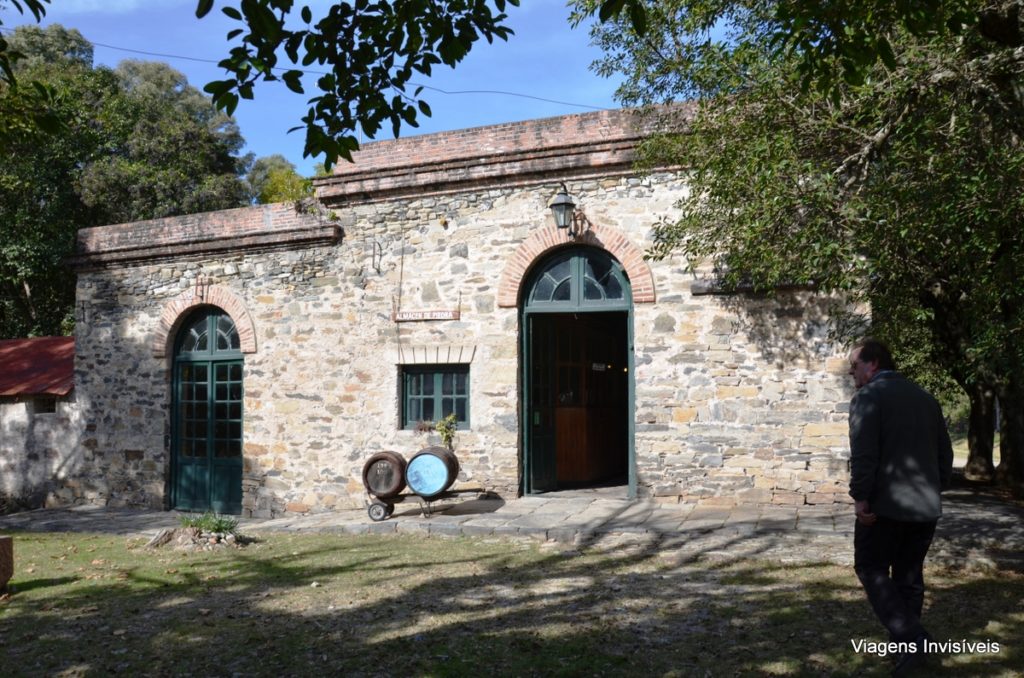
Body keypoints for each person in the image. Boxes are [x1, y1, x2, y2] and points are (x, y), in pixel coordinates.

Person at [847, 338, 954, 676]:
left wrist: (860, 498)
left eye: (855, 366)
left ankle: (913, 638)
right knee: (908, 577)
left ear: (873, 363)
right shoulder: (926, 399)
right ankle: (907, 654)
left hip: (883, 508)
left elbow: (864, 456)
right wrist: (935, 489)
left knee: (870, 567)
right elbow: (945, 457)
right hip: (924, 507)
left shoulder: (868, 397)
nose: (852, 373)